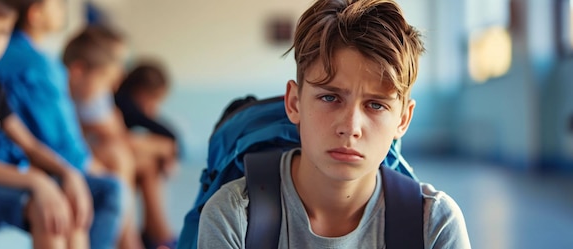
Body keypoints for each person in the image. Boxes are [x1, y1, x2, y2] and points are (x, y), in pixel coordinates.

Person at [197, 0, 471, 248]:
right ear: (294, 103)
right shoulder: (234, 215)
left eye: (376, 105)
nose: (350, 127)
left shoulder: (434, 225)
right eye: (330, 97)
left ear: (403, 119)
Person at [0, 1, 122, 249]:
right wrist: (35, 181)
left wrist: (67, 173)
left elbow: (27, 143)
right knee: (44, 206)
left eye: (3, 32)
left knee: (67, 198)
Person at [63, 27, 178, 249]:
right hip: (82, 160)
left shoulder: (100, 92)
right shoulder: (87, 90)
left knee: (146, 163)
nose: (119, 73)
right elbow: (114, 136)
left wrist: (159, 149)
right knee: (119, 155)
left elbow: (116, 130)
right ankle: (130, 243)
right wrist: (159, 147)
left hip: (95, 154)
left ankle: (159, 235)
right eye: (116, 64)